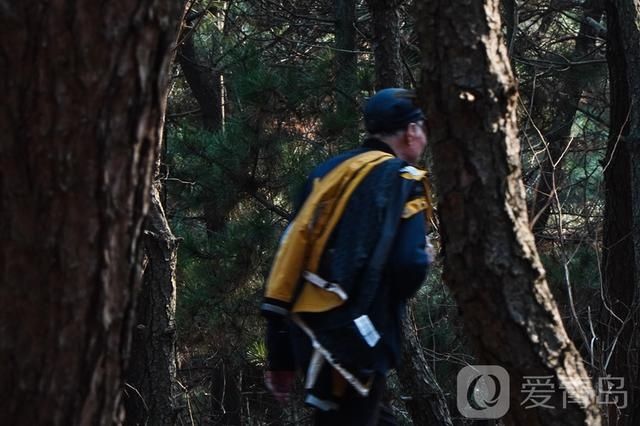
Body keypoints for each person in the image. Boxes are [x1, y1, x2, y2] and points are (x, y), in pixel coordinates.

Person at [260, 88, 434, 425]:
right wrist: (424, 260)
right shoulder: (403, 179)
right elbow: (408, 265)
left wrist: (279, 357)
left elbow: (290, 259)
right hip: (357, 336)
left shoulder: (326, 172)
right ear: (411, 131)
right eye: (423, 127)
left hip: (309, 330)